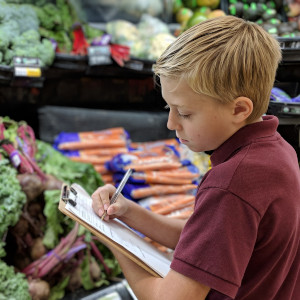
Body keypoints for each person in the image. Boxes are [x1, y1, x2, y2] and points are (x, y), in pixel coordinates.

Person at [91, 16, 300, 299]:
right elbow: (204, 242)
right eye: (169, 107)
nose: (171, 123)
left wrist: (112, 239)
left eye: (185, 113)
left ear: (239, 109)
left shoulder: (231, 185)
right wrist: (128, 214)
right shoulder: (278, 152)